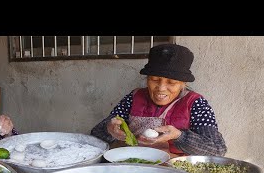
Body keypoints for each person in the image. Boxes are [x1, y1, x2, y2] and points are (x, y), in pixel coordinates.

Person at [91, 43, 227, 156]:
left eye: (171, 82)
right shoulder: (133, 98)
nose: (161, 88)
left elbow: (217, 149)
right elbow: (95, 135)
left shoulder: (196, 104)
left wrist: (179, 136)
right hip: (134, 165)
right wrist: (109, 129)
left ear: (183, 84)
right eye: (154, 80)